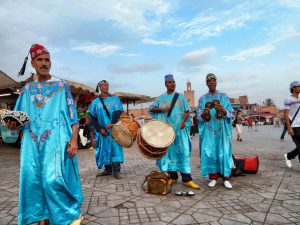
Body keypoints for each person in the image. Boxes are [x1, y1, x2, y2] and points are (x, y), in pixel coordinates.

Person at [6, 44, 83, 225]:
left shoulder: (61, 86)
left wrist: (74, 140)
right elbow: (16, 123)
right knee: (34, 181)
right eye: (40, 60)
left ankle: (66, 217)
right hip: (32, 144)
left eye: (47, 60)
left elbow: (73, 116)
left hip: (57, 142)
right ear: (33, 63)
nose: (44, 63)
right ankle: (43, 218)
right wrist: (12, 125)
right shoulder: (26, 90)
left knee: (53, 181)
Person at [149, 74, 199, 189]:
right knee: (170, 153)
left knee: (183, 152)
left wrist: (183, 121)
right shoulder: (161, 98)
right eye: (170, 82)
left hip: (180, 130)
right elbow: (151, 108)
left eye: (173, 82)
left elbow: (187, 111)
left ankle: (187, 179)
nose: (172, 84)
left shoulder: (180, 97)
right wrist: (162, 109)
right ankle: (173, 177)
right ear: (165, 84)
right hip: (167, 132)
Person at [198, 73, 234, 189]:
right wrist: (204, 113)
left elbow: (231, 113)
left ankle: (226, 178)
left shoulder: (224, 96)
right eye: (209, 81)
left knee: (224, 152)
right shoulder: (202, 99)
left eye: (213, 80)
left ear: (216, 82)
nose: (212, 82)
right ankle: (213, 177)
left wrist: (222, 109)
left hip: (222, 130)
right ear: (207, 83)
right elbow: (198, 116)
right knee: (210, 152)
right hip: (209, 131)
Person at [89, 80, 124, 179]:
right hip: (102, 131)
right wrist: (100, 129)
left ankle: (117, 171)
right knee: (104, 149)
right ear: (100, 87)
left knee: (115, 148)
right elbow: (92, 118)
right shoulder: (95, 102)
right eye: (103, 85)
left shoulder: (114, 99)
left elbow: (118, 112)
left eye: (107, 85)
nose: (106, 86)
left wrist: (112, 124)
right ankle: (108, 170)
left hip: (114, 129)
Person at [283, 81, 300, 168]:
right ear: (293, 88)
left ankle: (289, 156)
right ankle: (289, 156)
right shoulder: (288, 99)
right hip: (294, 125)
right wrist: (289, 128)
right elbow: (286, 114)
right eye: (298, 86)